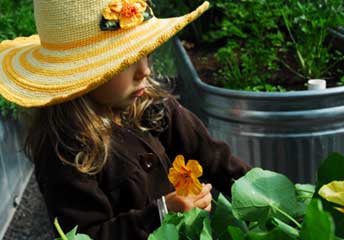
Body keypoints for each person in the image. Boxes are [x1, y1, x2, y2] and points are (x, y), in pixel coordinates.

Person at [0, 0, 251, 239]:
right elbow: (84, 235)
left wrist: (261, 197)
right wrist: (161, 213)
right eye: (126, 61)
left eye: (145, 53)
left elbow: (216, 159)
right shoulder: (65, 151)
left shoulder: (153, 106)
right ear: (83, 73)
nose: (145, 71)